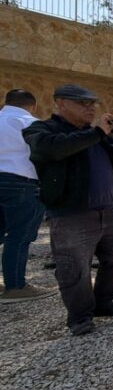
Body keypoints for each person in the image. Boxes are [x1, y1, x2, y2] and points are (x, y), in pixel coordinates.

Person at [23, 84, 113, 335]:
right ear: (61, 102)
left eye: (93, 103)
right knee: (74, 268)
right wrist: (98, 132)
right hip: (73, 214)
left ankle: (104, 302)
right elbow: (54, 149)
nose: (91, 108)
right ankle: (80, 316)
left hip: (112, 211)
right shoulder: (43, 130)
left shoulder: (101, 137)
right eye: (83, 103)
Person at [0, 89, 56, 303]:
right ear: (33, 106)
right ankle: (15, 286)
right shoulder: (31, 124)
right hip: (21, 182)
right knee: (19, 235)